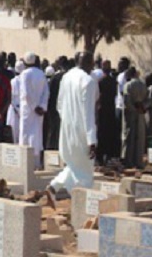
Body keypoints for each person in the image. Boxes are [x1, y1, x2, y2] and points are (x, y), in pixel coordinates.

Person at [49, 51, 99, 195]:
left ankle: (54, 186)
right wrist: (92, 140)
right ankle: (82, 204)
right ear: (89, 63)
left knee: (73, 165)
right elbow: (88, 112)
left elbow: (59, 105)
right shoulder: (88, 81)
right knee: (85, 171)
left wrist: (67, 121)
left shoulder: (66, 76)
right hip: (82, 132)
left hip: (67, 128)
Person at [19, 52, 49, 169]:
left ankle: (26, 163)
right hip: (39, 111)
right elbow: (46, 92)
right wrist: (42, 106)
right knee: (36, 135)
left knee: (26, 134)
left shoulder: (25, 74)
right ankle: (36, 163)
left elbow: (26, 93)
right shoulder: (41, 73)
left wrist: (34, 106)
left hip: (28, 109)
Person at [122, 67, 147, 169]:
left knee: (129, 137)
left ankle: (128, 161)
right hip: (140, 114)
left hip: (130, 114)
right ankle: (138, 161)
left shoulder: (128, 85)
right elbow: (147, 100)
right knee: (139, 138)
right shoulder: (143, 85)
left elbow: (126, 101)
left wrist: (133, 109)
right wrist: (141, 109)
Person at [96, 59, 120, 164]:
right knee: (110, 133)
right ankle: (109, 155)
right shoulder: (114, 81)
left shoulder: (100, 81)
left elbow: (98, 96)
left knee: (101, 133)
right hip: (111, 109)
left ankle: (100, 157)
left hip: (103, 110)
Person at [6, 61, 24, 143]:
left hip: (14, 110)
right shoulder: (25, 80)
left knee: (14, 133)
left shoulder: (13, 81)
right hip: (22, 109)